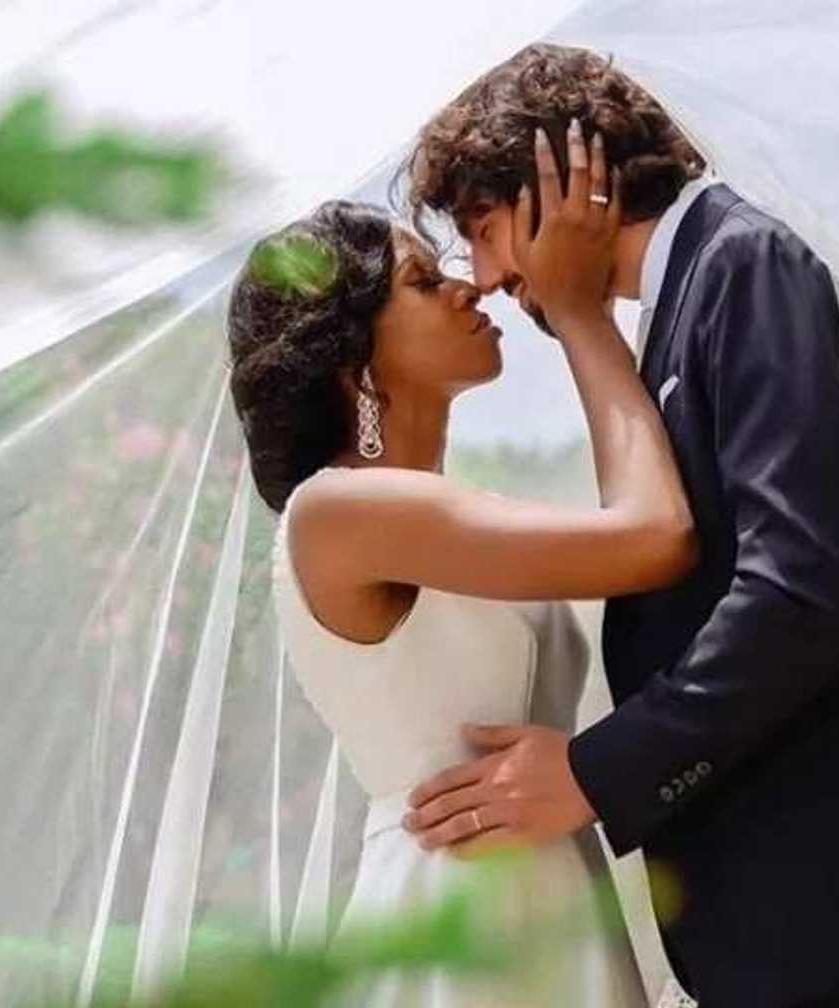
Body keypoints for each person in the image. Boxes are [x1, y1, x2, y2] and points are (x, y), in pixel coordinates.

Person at [403, 43, 839, 1007]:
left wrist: (595, 773)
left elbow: (796, 594)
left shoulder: (746, 263)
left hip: (808, 913)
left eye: (482, 225)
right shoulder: (678, 301)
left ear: (558, 175)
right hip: (751, 918)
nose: (481, 272)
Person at [226, 126, 692, 1005]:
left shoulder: (440, 513)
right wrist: (582, 313)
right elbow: (655, 535)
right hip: (459, 916)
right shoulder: (339, 513)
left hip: (541, 894)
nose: (470, 287)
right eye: (423, 281)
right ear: (352, 360)